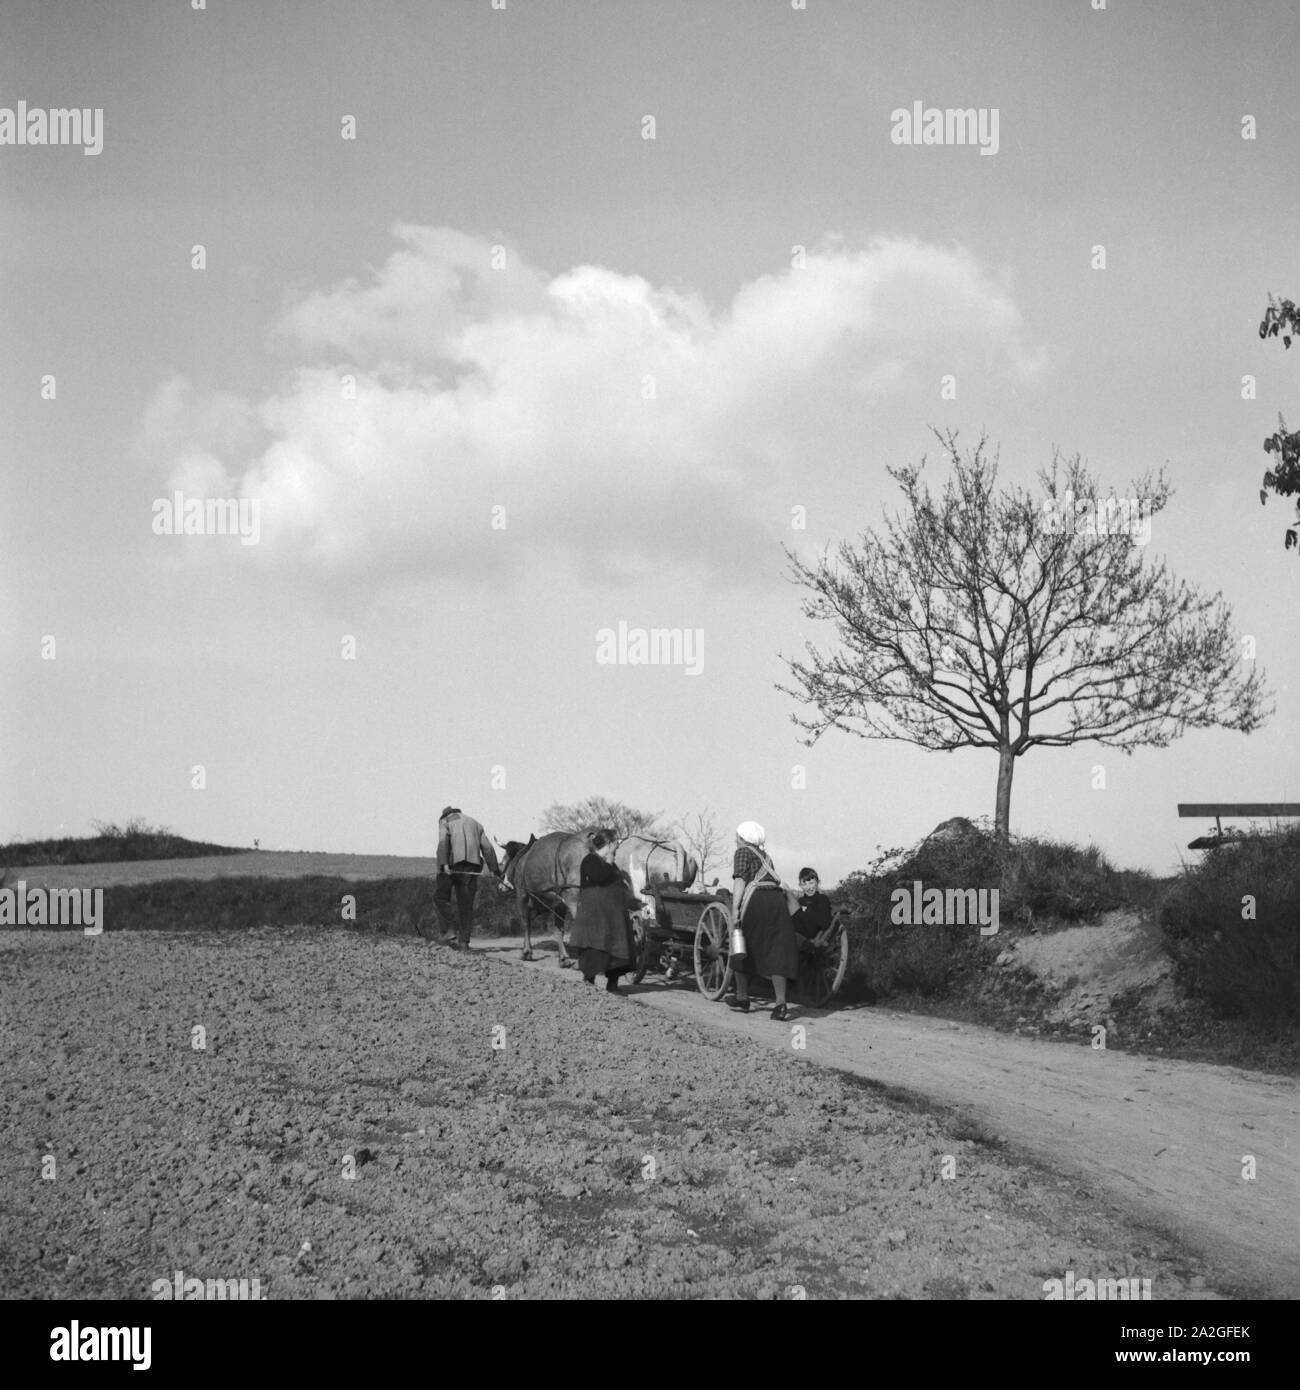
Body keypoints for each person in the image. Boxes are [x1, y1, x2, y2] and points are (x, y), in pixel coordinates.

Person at [728, 821, 801, 1022]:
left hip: (756, 901)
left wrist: (735, 909)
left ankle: (743, 997)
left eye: (737, 837)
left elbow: (740, 880)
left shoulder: (742, 852)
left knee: (741, 942)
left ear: (743, 838)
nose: (735, 840)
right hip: (776, 901)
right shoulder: (766, 856)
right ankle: (780, 1004)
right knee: (776, 949)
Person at [569, 831, 640, 992]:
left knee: (617, 949)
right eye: (616, 842)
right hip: (595, 915)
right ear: (609, 844)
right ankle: (589, 981)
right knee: (593, 947)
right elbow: (599, 877)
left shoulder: (611, 863)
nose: (618, 845)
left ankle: (612, 985)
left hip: (613, 915)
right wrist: (609, 861)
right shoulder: (590, 860)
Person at [434, 806, 500, 949]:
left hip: (451, 866)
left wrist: (444, 864)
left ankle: (449, 931)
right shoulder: (476, 823)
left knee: (440, 897)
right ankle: (464, 942)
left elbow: (443, 842)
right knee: (465, 905)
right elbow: (487, 847)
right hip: (472, 867)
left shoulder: (445, 821)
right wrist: (494, 869)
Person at [792, 868, 832, 940]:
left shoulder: (822, 899)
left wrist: (807, 910)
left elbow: (825, 924)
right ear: (800, 885)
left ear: (818, 882)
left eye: (811, 883)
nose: (808, 887)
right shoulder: (800, 901)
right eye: (804, 884)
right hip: (799, 936)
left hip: (815, 938)